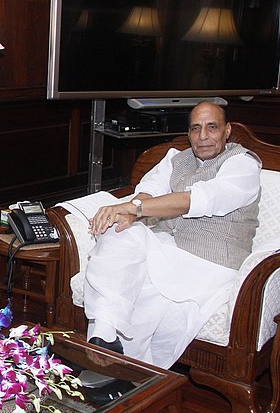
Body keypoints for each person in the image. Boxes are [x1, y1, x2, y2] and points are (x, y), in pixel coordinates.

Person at [83, 101, 261, 401]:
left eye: (212, 127)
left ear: (227, 131)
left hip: (211, 264)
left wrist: (134, 208)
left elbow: (199, 199)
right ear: (189, 133)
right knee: (120, 231)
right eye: (195, 128)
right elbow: (148, 189)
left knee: (144, 286)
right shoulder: (176, 159)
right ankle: (105, 339)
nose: (203, 135)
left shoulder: (243, 165)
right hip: (170, 252)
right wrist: (130, 212)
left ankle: (122, 375)